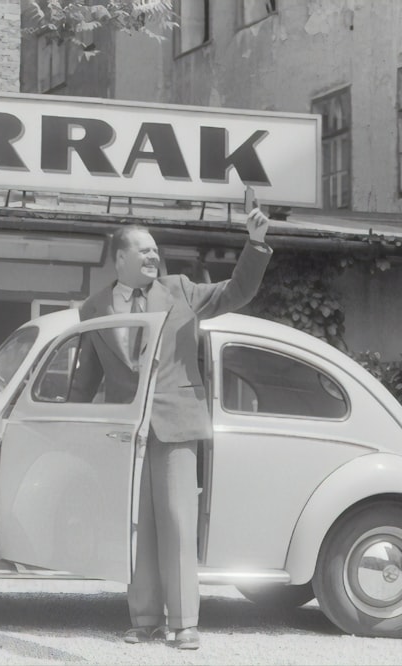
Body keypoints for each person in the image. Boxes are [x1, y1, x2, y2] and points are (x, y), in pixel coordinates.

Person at [69, 208, 272, 650]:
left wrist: (254, 245)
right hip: (127, 436)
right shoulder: (93, 308)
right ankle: (143, 620)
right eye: (143, 249)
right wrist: (74, 429)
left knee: (178, 525)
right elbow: (86, 378)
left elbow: (237, 291)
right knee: (136, 528)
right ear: (119, 257)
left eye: (155, 249)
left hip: (176, 427)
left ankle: (184, 624)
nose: (152, 255)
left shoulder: (180, 289)